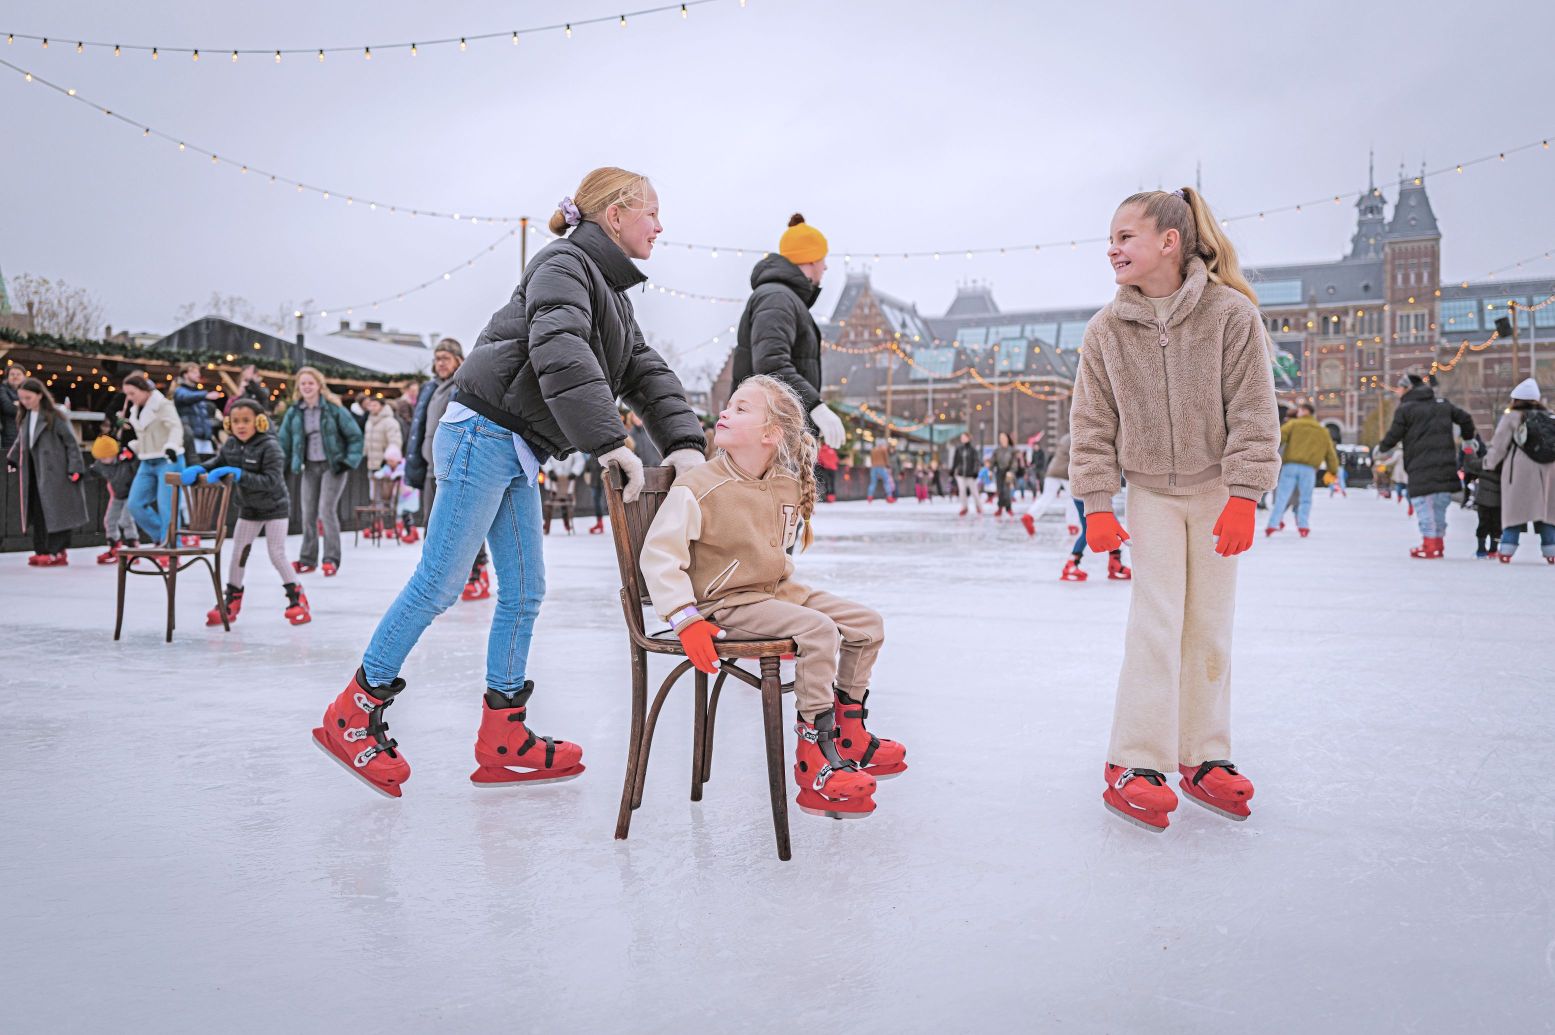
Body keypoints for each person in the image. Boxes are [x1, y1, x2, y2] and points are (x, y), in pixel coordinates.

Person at [311, 166, 708, 799]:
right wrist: (608, 440)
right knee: (441, 580)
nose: (661, 226)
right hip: (482, 435)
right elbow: (562, 352)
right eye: (652, 212)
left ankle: (504, 735)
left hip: (517, 446)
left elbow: (644, 372)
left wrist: (685, 444)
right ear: (614, 214)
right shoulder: (563, 266)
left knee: (524, 590)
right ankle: (354, 710)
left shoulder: (610, 295)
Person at [1070, 186, 1280, 832]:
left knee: (1209, 625)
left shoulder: (1229, 315)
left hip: (1215, 487)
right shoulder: (1106, 329)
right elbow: (1091, 423)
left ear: (1169, 241)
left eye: (1124, 236)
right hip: (1151, 492)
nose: (1113, 248)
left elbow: (1252, 411)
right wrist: (1097, 504)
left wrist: (1244, 495)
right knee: (1155, 622)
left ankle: (1203, 754)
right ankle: (1134, 759)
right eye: (1110, 238)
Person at [641, 375, 904, 818]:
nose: (725, 412)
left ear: (770, 434)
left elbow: (776, 554)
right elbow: (659, 557)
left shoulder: (783, 484)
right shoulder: (699, 486)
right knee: (818, 631)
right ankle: (814, 761)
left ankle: (849, 732)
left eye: (742, 408)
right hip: (723, 602)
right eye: (729, 405)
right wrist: (686, 620)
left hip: (776, 592)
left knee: (866, 624)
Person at [184, 398, 310, 626]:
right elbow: (218, 461)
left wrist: (239, 473)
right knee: (238, 553)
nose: (241, 425)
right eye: (236, 421)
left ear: (259, 422)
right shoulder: (231, 444)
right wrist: (201, 468)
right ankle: (231, 600)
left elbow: (272, 481)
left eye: (246, 421)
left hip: (275, 507)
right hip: (249, 509)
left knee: (277, 553)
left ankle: (297, 599)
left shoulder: (270, 446)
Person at [732, 213, 847, 453]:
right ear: (811, 260)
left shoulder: (785, 299)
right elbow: (771, 365)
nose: (825, 267)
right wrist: (815, 405)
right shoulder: (778, 299)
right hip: (769, 437)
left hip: (777, 433)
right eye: (823, 259)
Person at [406, 339, 490, 598]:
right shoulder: (429, 388)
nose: (440, 362)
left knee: (465, 522)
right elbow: (419, 428)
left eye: (446, 357)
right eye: (437, 358)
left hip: (455, 466)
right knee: (432, 525)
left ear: (458, 360)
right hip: (431, 467)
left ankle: (478, 573)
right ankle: (437, 579)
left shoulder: (463, 384)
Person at [1375, 373, 1475, 558]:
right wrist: (1467, 440)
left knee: (1424, 505)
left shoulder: (1406, 409)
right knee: (1439, 506)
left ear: (1407, 389)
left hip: (1420, 465)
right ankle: (1437, 543)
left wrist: (1381, 449)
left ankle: (1429, 544)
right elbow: (1466, 419)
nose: (1397, 392)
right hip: (1445, 464)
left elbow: (1394, 434)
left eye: (1400, 388)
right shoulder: (1442, 405)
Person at [277, 366, 364, 577]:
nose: (307, 386)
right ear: (299, 387)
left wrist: (348, 461)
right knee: (308, 512)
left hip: (333, 466)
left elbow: (355, 436)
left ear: (319, 386)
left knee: (326, 510)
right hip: (310, 467)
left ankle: (331, 559)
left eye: (310, 383)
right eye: (303, 383)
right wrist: (280, 465)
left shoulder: (333, 409)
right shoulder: (295, 412)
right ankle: (308, 559)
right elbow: (284, 441)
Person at [6, 377, 88, 565]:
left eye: (28, 398)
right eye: (22, 399)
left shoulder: (55, 415)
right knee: (38, 511)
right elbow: (22, 440)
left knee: (55, 511)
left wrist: (75, 468)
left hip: (55, 472)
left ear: (40, 395)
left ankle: (56, 551)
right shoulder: (26, 417)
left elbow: (71, 443)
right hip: (34, 471)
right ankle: (42, 549)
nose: (25, 402)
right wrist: (12, 458)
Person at [1484, 378, 1555, 564]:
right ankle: (1551, 551)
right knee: (1546, 513)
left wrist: (1488, 464)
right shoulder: (1550, 416)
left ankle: (1507, 549)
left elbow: (1499, 446)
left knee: (1515, 512)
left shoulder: (1512, 417)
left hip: (1520, 471)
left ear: (1515, 399)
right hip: (1549, 471)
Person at [120, 372, 186, 553]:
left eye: (132, 393)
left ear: (144, 390)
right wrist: (133, 447)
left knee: (167, 506)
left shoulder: (163, 405)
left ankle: (171, 546)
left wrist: (171, 445)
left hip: (168, 459)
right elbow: (145, 434)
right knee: (135, 504)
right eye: (127, 394)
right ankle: (163, 538)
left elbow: (175, 427)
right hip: (147, 460)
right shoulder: (136, 408)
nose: (129, 398)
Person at [1264, 402, 1340, 538]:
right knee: (1305, 499)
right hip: (1309, 469)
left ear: (1305, 411)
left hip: (1290, 466)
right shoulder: (1323, 431)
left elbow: (1279, 438)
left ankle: (1272, 525)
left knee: (1282, 497)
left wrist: (1267, 453)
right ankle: (1303, 526)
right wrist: (1333, 470)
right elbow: (1330, 453)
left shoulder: (1294, 425)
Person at [89, 433, 141, 563]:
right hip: (118, 496)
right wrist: (78, 474)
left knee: (126, 519)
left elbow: (139, 469)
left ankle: (133, 548)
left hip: (131, 494)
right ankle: (114, 546)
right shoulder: (100, 464)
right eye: (100, 458)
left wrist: (133, 458)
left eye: (106, 457)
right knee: (109, 520)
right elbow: (91, 471)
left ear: (113, 453)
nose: (103, 460)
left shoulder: (125, 460)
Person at [1022, 431, 1079, 537]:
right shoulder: (1079, 437)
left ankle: (1030, 516)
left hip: (1052, 470)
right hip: (1066, 472)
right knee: (1073, 498)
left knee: (1047, 496)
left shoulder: (1065, 437)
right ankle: (1073, 525)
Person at [1461, 436, 1502, 559]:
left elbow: (1470, 464)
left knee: (1483, 524)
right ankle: (1493, 549)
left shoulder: (1485, 461)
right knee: (1497, 525)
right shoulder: (1505, 463)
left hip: (1483, 499)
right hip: (1499, 501)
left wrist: (1468, 449)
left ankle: (1481, 549)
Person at [172, 361, 222, 458]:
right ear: (185, 374)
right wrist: (205, 395)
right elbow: (186, 397)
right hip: (191, 437)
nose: (198, 375)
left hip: (204, 437)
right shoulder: (180, 391)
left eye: (198, 372)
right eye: (194, 372)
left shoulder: (197, 394)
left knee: (207, 464)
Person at [362, 395, 404, 474]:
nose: (372, 408)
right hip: (371, 463)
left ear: (382, 406)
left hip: (385, 464)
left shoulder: (390, 422)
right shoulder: (369, 422)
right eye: (370, 405)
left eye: (375, 405)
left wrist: (391, 458)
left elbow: (395, 442)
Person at [950, 431, 983, 515]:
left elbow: (976, 461)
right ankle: (964, 507)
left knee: (974, 492)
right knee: (962, 491)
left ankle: (978, 506)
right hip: (961, 474)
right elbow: (955, 461)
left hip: (970, 474)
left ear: (968, 438)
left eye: (964, 437)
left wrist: (975, 472)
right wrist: (953, 470)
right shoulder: (959, 449)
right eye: (962, 437)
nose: (962, 439)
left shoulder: (973, 450)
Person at [991, 431, 1020, 517]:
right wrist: (990, 469)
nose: (1002, 439)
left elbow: (1014, 462)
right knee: (1000, 491)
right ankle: (1000, 508)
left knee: (1006, 491)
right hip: (999, 472)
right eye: (1000, 438)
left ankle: (1009, 508)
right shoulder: (997, 450)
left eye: (1003, 437)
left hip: (1009, 472)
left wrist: (1011, 471)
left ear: (1007, 438)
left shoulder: (1012, 450)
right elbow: (993, 461)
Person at [0, 364, 25, 456]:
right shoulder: (2, 390)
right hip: (9, 435)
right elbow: (8, 408)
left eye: (18, 374)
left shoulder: (30, 389)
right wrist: (25, 406)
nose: (15, 376)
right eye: (12, 374)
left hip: (27, 435)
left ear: (24, 376)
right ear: (8, 377)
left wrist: (18, 404)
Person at [866, 436, 896, 503]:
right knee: (886, 482)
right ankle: (889, 497)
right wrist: (888, 466)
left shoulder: (873, 450)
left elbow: (871, 459)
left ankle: (869, 497)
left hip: (873, 467)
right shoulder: (883, 449)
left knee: (873, 483)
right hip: (882, 467)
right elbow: (886, 459)